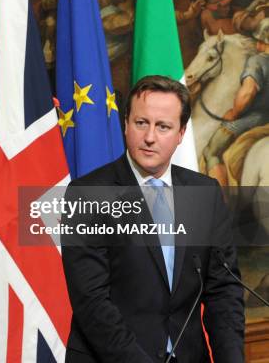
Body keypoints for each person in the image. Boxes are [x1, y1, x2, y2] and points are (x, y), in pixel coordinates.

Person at [62, 75, 244, 362]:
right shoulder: (87, 194)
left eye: (163, 126)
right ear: (125, 125)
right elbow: (92, 302)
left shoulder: (204, 193)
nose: (149, 137)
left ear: (181, 133)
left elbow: (224, 289)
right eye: (141, 123)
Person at [203, 19, 269, 187]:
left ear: (261, 40)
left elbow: (247, 92)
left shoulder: (257, 61)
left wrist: (234, 112)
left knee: (211, 151)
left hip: (257, 118)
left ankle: (222, 205)